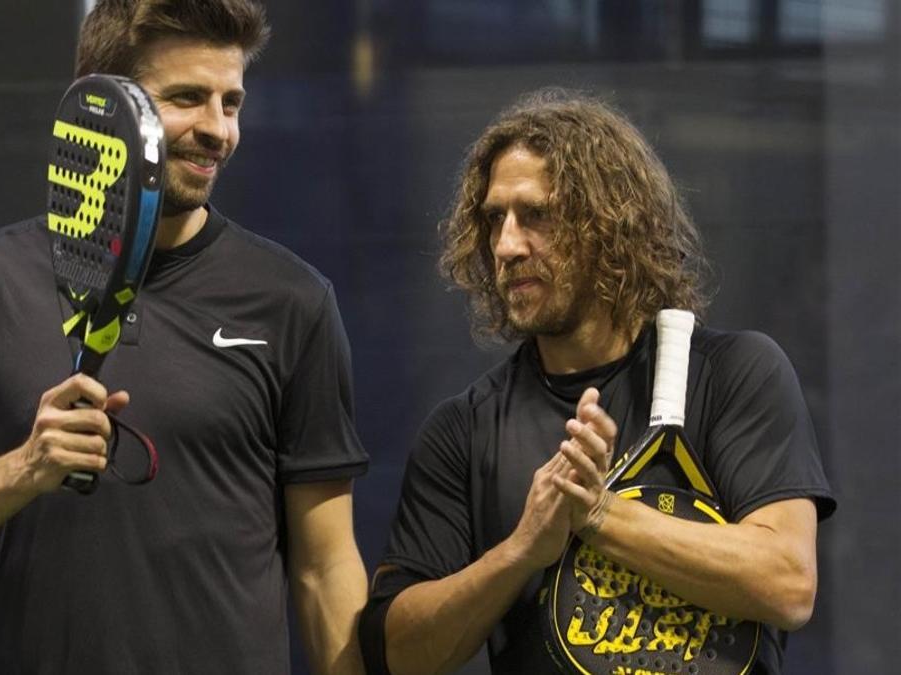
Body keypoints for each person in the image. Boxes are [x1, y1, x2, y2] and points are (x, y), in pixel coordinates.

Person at [0, 1, 370, 673]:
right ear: (104, 105)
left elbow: (325, 565)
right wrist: (23, 470)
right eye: (187, 99)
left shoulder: (293, 300)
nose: (218, 130)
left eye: (232, 102)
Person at [358, 89, 836, 675]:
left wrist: (601, 516)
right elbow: (395, 655)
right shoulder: (465, 431)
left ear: (610, 225)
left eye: (537, 216)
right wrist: (519, 551)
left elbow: (788, 583)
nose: (507, 246)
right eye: (493, 220)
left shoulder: (736, 373)